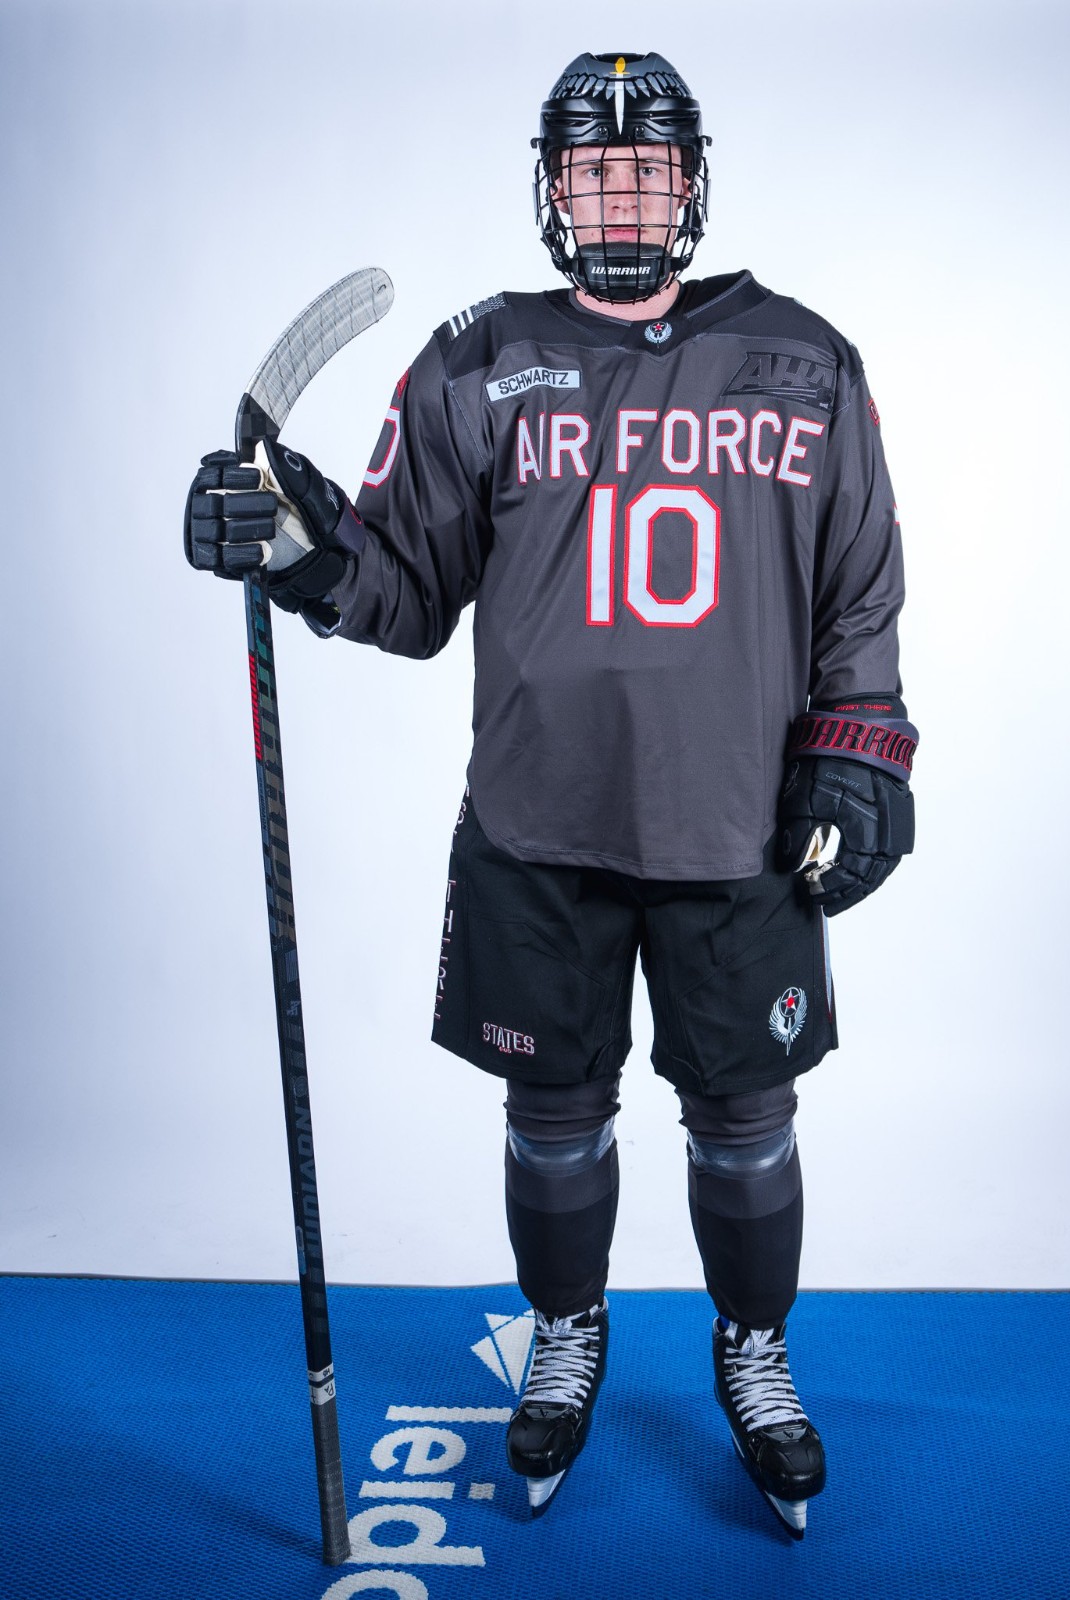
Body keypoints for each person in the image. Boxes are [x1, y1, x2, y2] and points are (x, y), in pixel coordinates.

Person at [184, 51, 916, 1539]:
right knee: (554, 1114)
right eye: (595, 173)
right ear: (553, 188)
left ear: (691, 184)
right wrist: (302, 549)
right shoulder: (476, 359)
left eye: (648, 171)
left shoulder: (807, 359)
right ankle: (567, 1332)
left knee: (747, 1117)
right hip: (539, 825)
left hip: (736, 827)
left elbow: (859, 586)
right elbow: (403, 587)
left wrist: (861, 747)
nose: (622, 197)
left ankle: (753, 1349)